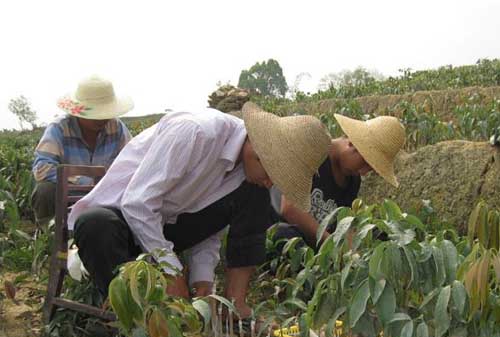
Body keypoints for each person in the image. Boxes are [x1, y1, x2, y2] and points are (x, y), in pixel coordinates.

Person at [67, 102, 332, 321]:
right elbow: (137, 203)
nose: (270, 183)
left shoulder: (244, 172)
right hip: (123, 219)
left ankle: (232, 305)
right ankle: (131, 319)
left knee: (254, 193)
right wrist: (171, 270)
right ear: (260, 151)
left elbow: (208, 224)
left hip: (164, 226)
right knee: (95, 225)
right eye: (272, 174)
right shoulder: (195, 133)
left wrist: (202, 280)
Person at [271, 113, 406, 248]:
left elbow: (342, 222)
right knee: (285, 236)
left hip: (317, 243)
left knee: (377, 234)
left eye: (370, 169)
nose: (364, 172)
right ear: (353, 143)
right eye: (365, 163)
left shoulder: (352, 180)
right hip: (280, 230)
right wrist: (332, 245)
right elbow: (289, 208)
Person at [31, 75, 133, 225]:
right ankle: (50, 236)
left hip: (106, 193)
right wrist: (83, 181)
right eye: (95, 114)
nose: (101, 118)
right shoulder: (59, 128)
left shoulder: (116, 128)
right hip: (69, 191)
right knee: (44, 191)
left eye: (104, 112)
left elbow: (133, 161)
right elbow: (42, 168)